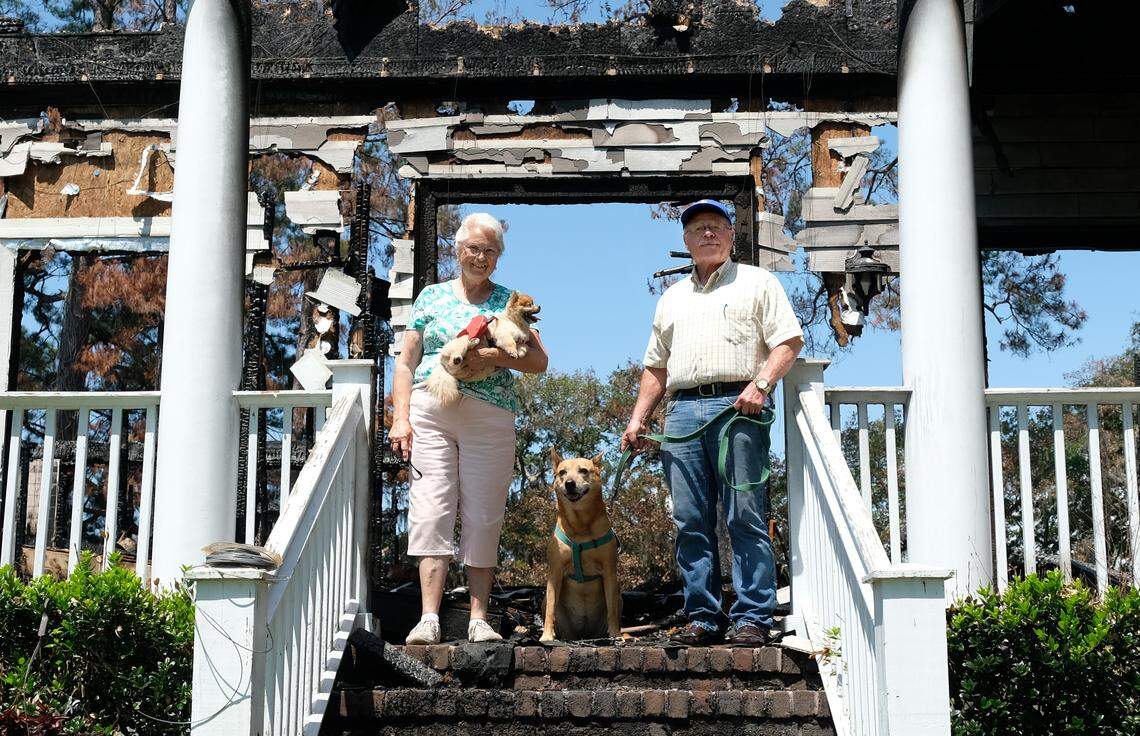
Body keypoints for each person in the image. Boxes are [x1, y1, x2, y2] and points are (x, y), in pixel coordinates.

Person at [621, 199, 803, 646]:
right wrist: (638, 418)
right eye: (699, 228)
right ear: (685, 241)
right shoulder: (671, 298)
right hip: (681, 411)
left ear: (730, 236)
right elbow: (655, 367)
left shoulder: (758, 282)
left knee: (745, 514)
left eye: (717, 227)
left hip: (739, 406)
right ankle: (703, 615)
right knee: (689, 519)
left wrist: (761, 384)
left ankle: (753, 617)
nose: (708, 234)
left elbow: (789, 341)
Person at [389, 212, 548, 644]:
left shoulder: (510, 302)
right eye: (473, 248)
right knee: (431, 505)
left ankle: (479, 618)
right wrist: (400, 417)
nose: (480, 257)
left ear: (498, 258)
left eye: (489, 251)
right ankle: (428, 618)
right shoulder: (430, 297)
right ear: (458, 250)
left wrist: (495, 357)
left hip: (489, 414)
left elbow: (538, 362)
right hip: (431, 407)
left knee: (483, 512)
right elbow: (405, 362)